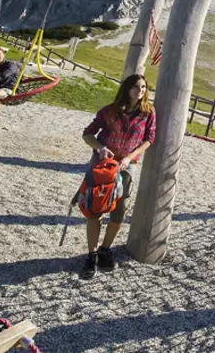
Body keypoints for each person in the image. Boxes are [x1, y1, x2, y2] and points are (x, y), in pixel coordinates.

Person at [79, 74, 155, 279]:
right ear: (127, 88)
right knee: (96, 206)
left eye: (143, 87)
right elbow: (87, 134)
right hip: (103, 164)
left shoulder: (148, 113)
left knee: (119, 209)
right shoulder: (109, 110)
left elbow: (149, 138)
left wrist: (130, 157)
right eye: (136, 87)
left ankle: (106, 248)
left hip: (127, 166)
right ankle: (91, 253)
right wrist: (101, 148)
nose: (140, 90)